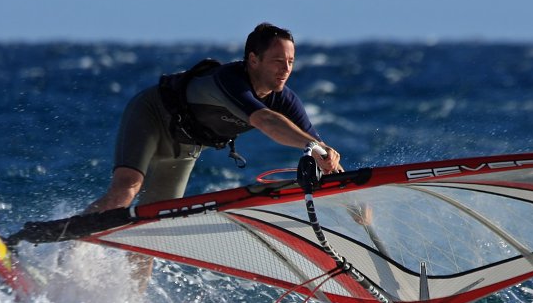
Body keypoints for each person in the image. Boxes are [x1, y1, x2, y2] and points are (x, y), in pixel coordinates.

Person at [86, 22, 342, 214]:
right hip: (152, 116)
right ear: (253, 60)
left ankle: (132, 288)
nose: (286, 69)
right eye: (278, 61)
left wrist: (354, 203)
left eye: (290, 61)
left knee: (156, 215)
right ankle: (69, 244)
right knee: (127, 187)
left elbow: (323, 156)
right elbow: (266, 121)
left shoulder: (285, 99)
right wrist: (314, 146)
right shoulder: (229, 80)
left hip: (186, 145)